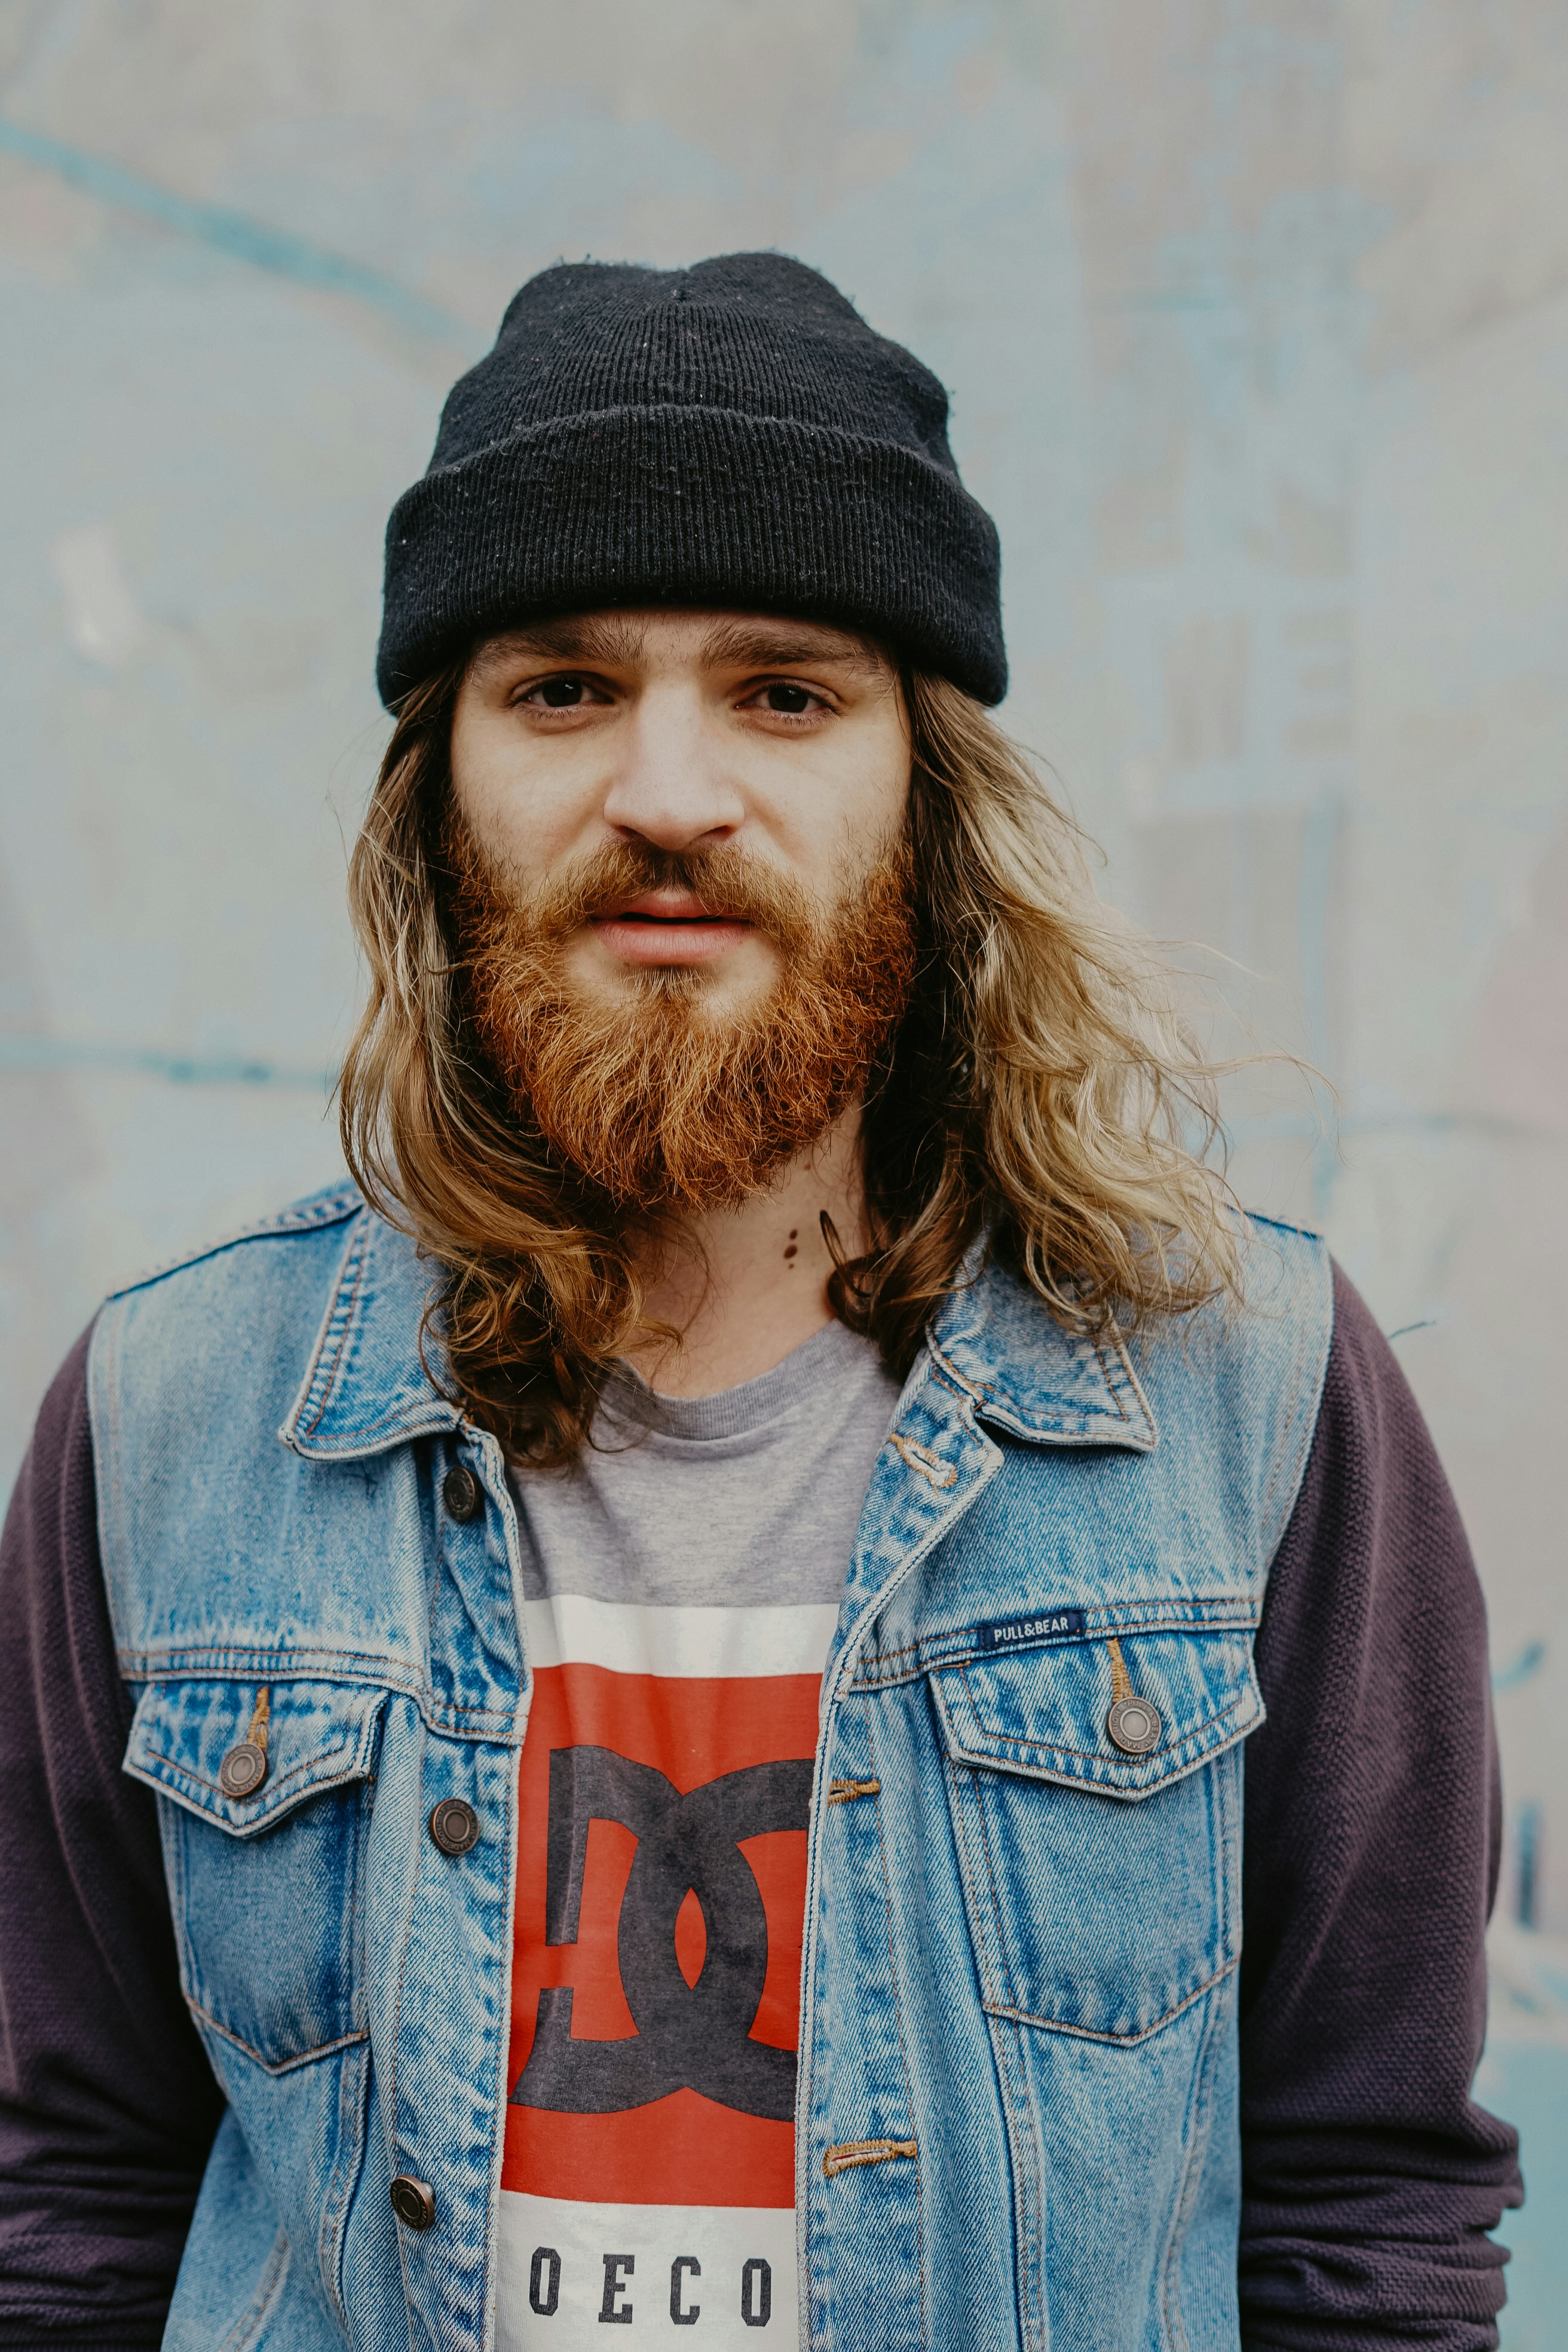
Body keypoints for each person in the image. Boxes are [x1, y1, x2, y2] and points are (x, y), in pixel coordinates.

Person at [0, 253, 1521, 2352]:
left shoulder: (1245, 1395)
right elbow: (70, 2203)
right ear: (437, 795)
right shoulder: (174, 1411)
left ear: (927, 794)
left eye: (784, 690)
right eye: (562, 689)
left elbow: (1366, 2211)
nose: (669, 794)